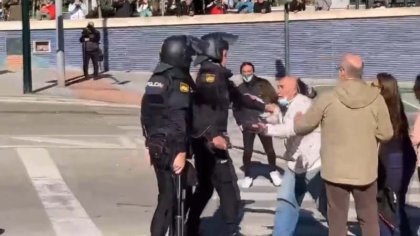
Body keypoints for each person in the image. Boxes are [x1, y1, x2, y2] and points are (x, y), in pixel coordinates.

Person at [293, 53, 394, 236]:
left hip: (335, 171)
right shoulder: (376, 99)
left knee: (337, 220)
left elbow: (303, 127)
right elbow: (386, 134)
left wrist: (297, 119)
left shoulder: (327, 98)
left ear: (342, 72)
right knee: (369, 218)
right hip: (365, 172)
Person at [186, 32, 276, 236]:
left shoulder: (216, 74)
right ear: (217, 52)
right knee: (229, 189)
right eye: (226, 52)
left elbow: (240, 96)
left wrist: (264, 105)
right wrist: (213, 136)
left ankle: (189, 228)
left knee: (206, 188)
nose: (227, 56)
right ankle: (231, 231)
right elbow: (201, 111)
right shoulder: (211, 76)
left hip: (206, 141)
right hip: (210, 142)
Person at [141, 35, 206, 236]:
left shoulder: (157, 79)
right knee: (171, 199)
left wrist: (148, 143)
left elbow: (147, 114)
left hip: (158, 144)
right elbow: (179, 119)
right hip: (171, 146)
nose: (189, 59)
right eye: (188, 55)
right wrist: (180, 151)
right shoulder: (178, 82)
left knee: (167, 196)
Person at [249, 76, 325, 236]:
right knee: (286, 203)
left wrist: (265, 129)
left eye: (282, 87)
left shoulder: (303, 105)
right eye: (278, 87)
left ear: (294, 89)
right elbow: (284, 122)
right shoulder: (290, 104)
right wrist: (273, 115)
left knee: (326, 206)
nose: (278, 91)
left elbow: (290, 129)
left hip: (312, 164)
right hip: (295, 164)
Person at [372, 73, 416, 236]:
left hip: (390, 162)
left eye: (374, 85)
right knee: (396, 206)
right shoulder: (397, 107)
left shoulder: (380, 109)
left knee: (385, 207)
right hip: (403, 160)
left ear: (383, 89)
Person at [232, 62, 280, 188]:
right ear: (241, 73)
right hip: (248, 124)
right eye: (244, 72)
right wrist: (240, 123)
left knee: (269, 149)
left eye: (249, 71)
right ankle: (248, 175)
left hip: (263, 122)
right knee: (248, 151)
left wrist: (272, 114)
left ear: (253, 71)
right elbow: (235, 108)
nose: (247, 74)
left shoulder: (263, 84)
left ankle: (273, 171)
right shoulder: (240, 89)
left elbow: (274, 99)